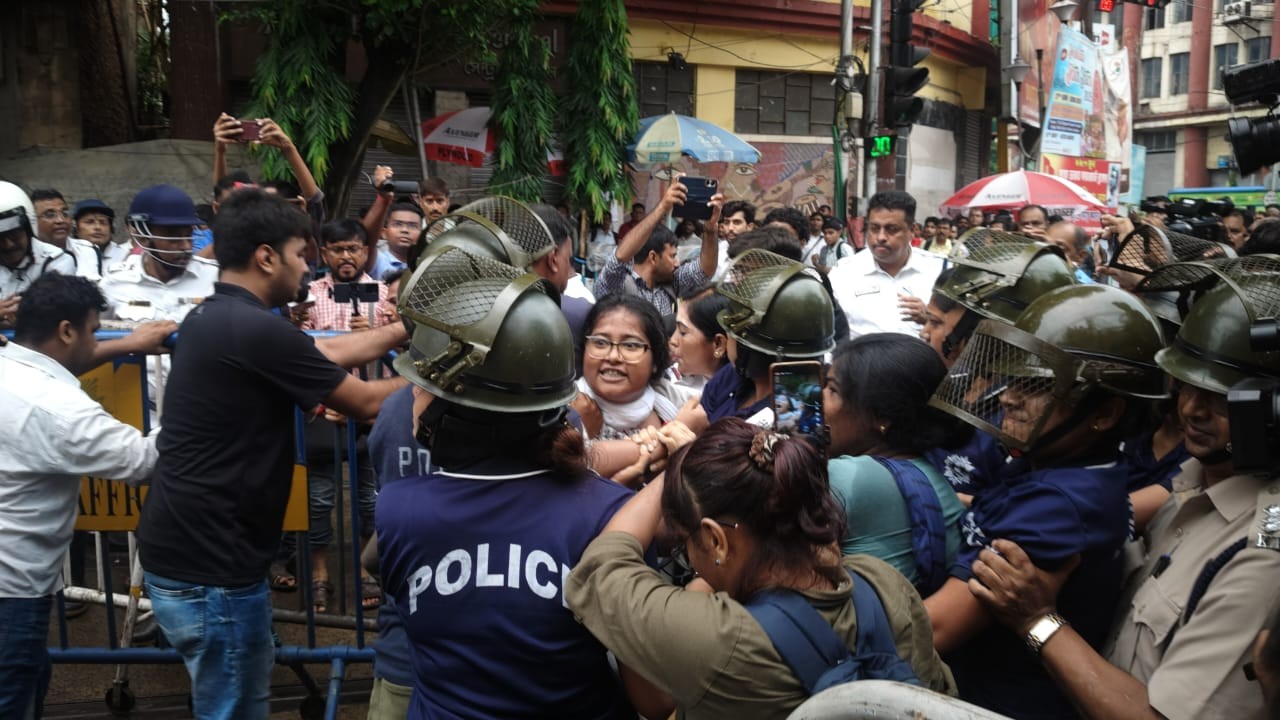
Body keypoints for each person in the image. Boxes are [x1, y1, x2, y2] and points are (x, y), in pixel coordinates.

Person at [136, 188, 409, 717]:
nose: (307, 269)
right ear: (266, 257)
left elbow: (325, 351)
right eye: (302, 256)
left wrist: (404, 328)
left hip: (187, 552)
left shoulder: (215, 317)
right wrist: (443, 373)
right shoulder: (256, 329)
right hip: (213, 567)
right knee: (234, 708)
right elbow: (366, 401)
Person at [967, 263, 1280, 720]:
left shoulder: (1260, 556)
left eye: (1221, 399)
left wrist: (1037, 621)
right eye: (1187, 385)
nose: (1191, 408)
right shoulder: (1192, 489)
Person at [376, 247, 636, 718]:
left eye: (422, 386)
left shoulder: (399, 509)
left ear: (450, 410)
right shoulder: (615, 513)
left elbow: (381, 564)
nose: (412, 395)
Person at [565, 418, 956, 719]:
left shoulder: (722, 641)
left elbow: (602, 567)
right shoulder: (882, 581)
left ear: (716, 540)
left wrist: (673, 474)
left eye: (688, 543)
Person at [924, 284, 1169, 718]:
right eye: (1014, 378)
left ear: (1105, 414)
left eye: (1038, 387)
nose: (1008, 397)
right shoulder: (1054, 463)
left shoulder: (1059, 505)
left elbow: (934, 630)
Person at [0, 273, 174, 718]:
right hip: (12, 593)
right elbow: (140, 460)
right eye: (95, 330)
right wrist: (201, 397)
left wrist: (130, 342)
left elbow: (55, 368)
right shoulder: (55, 407)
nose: (98, 339)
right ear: (66, 330)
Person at [824, 334, 969, 592]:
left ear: (882, 416)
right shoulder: (936, 480)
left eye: (833, 390)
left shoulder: (848, 477)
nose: (819, 399)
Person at [591, 179, 719, 317]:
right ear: (653, 257)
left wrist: (710, 229)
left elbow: (705, 270)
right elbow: (620, 257)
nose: (677, 263)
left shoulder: (671, 283)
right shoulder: (618, 284)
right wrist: (663, 207)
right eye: (672, 256)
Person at [828, 190, 943, 339]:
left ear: (912, 230)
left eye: (892, 229)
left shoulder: (939, 269)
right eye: (874, 228)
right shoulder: (843, 273)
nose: (881, 237)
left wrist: (930, 319)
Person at [99, 185, 219, 325]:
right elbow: (96, 339)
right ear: (142, 237)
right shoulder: (115, 283)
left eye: (189, 236)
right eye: (173, 237)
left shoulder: (215, 278)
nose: (186, 247)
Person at [573, 294, 682, 441]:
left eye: (630, 345)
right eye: (600, 342)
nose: (613, 356)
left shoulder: (675, 410)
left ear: (655, 361)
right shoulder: (562, 412)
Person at [0, 182, 76, 327]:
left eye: (14, 235)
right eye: (0, 238)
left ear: (29, 229)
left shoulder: (56, 260)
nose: (8, 245)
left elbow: (55, 315)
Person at [668, 286, 730, 396]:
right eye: (675, 329)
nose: (673, 340)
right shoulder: (669, 379)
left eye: (683, 332)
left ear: (718, 344)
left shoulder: (736, 403)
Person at [72, 198, 130, 272]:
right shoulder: (68, 256)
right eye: (90, 222)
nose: (98, 227)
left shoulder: (126, 257)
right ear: (75, 228)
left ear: (111, 228)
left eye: (103, 222)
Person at [369, 201, 421, 282]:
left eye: (412, 226)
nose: (405, 230)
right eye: (398, 224)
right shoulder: (377, 260)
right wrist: (383, 199)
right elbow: (367, 241)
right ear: (384, 233)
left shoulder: (424, 266)